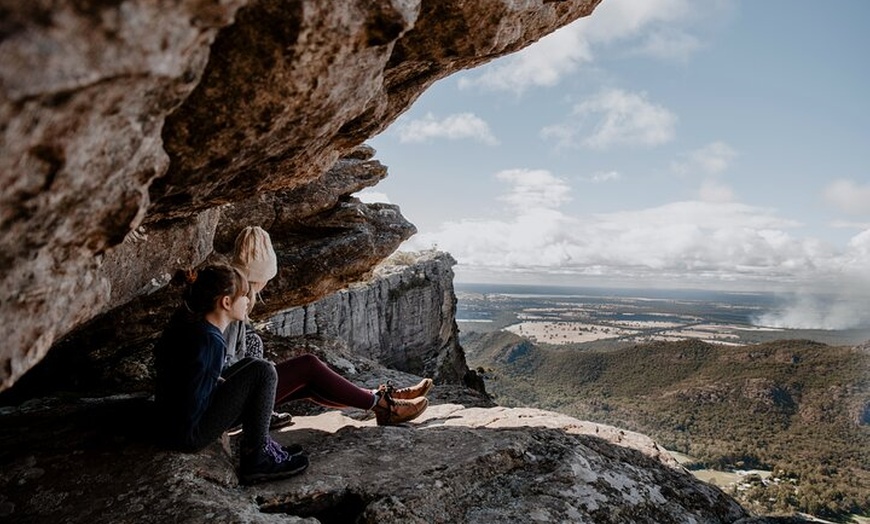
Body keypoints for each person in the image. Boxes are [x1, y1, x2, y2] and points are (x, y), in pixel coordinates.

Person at [228, 225, 432, 426]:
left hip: (239, 396)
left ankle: (379, 397)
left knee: (309, 382)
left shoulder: (236, 304)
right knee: (307, 365)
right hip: (226, 405)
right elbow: (227, 371)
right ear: (260, 278)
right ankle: (385, 406)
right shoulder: (230, 312)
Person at [153, 264, 309, 484]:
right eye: (244, 295)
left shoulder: (197, 328)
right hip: (188, 433)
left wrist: (227, 389)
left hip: (173, 424)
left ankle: (262, 444)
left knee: (253, 365)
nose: (248, 301)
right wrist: (229, 394)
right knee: (263, 371)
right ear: (226, 302)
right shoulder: (210, 340)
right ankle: (257, 459)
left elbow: (193, 383)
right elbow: (194, 402)